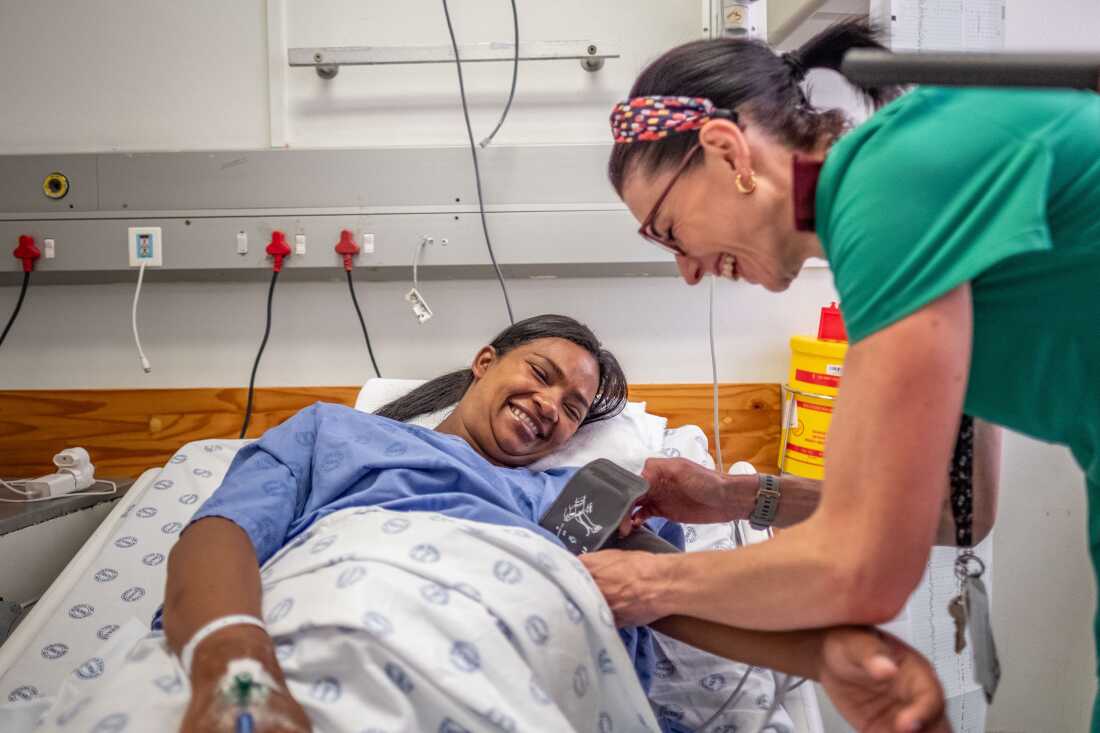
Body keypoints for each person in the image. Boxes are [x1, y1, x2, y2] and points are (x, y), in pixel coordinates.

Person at [580, 15, 1100, 726]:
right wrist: (735, 497)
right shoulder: (892, 230)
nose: (689, 272)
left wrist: (653, 579)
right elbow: (961, 507)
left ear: (726, 150)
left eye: (668, 232)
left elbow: (863, 567)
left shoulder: (891, 183)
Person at [155, 314, 947, 732]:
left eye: (572, 408)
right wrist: (235, 673)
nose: (549, 408)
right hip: (319, 619)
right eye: (539, 375)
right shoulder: (337, 432)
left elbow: (671, 597)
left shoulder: (575, 498)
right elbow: (220, 532)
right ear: (482, 361)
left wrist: (830, 656)